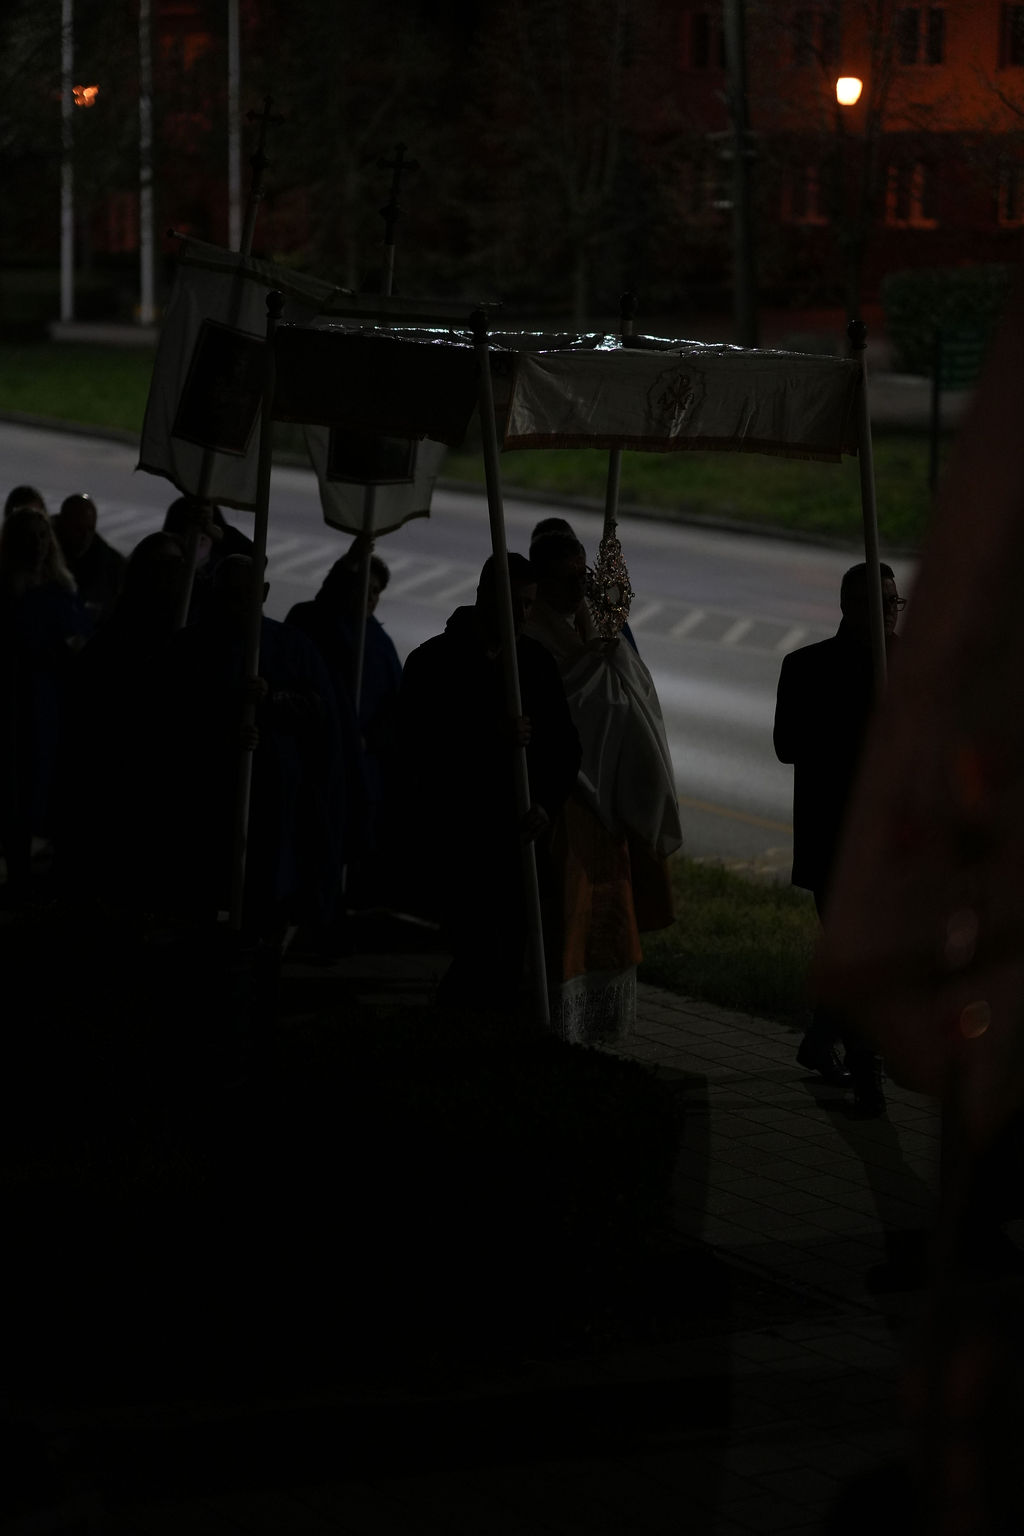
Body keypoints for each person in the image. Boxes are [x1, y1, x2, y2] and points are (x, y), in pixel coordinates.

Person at [398, 552, 581, 1011]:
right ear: (485, 597)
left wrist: (545, 803)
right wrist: (490, 734)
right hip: (462, 836)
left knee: (512, 952)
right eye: (513, 603)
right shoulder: (435, 662)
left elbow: (564, 747)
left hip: (520, 834)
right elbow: (415, 745)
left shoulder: (534, 662)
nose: (522, 615)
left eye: (529, 604)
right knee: (478, 949)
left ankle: (492, 1030)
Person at [525, 531, 681, 1043]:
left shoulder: (596, 623)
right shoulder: (531, 633)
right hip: (567, 793)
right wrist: (594, 663)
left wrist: (610, 657)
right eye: (567, 579)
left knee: (609, 904)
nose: (579, 588)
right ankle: (558, 1019)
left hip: (606, 793)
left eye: (583, 576)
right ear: (542, 582)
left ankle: (600, 1019)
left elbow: (633, 695)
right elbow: (559, 704)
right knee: (568, 909)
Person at [157, 554, 347, 940]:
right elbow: (168, 713)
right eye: (229, 593)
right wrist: (221, 733)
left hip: (274, 801)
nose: (237, 603)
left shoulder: (292, 645)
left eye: (246, 593)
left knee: (264, 896)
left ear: (264, 592)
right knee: (203, 891)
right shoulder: (191, 644)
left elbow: (321, 713)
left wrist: (272, 699)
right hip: (206, 796)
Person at [773, 560, 902, 1115]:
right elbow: (787, 744)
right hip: (835, 840)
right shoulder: (807, 667)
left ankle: (821, 1037)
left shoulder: (911, 667)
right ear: (850, 607)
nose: (892, 612)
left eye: (896, 602)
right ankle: (869, 1072)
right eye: (882, 603)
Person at [0, 507, 90, 907]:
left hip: (51, 700)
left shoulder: (60, 588)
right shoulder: (9, 590)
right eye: (28, 536)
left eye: (42, 536)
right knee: (16, 786)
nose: (37, 544)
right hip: (17, 698)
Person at [53, 493, 126, 628]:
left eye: (90, 529)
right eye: (78, 529)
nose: (85, 536)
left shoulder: (111, 566)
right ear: (63, 524)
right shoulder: (41, 552)